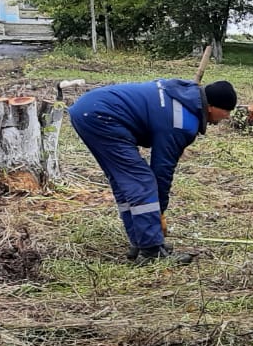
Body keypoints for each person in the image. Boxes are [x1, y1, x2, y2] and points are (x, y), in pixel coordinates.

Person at [69, 78, 237, 262]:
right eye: (227, 111)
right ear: (211, 107)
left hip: (91, 110)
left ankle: (141, 241)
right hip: (102, 116)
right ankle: (151, 251)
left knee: (125, 182)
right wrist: (159, 214)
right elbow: (162, 170)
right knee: (141, 181)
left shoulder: (184, 95)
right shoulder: (181, 122)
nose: (227, 116)